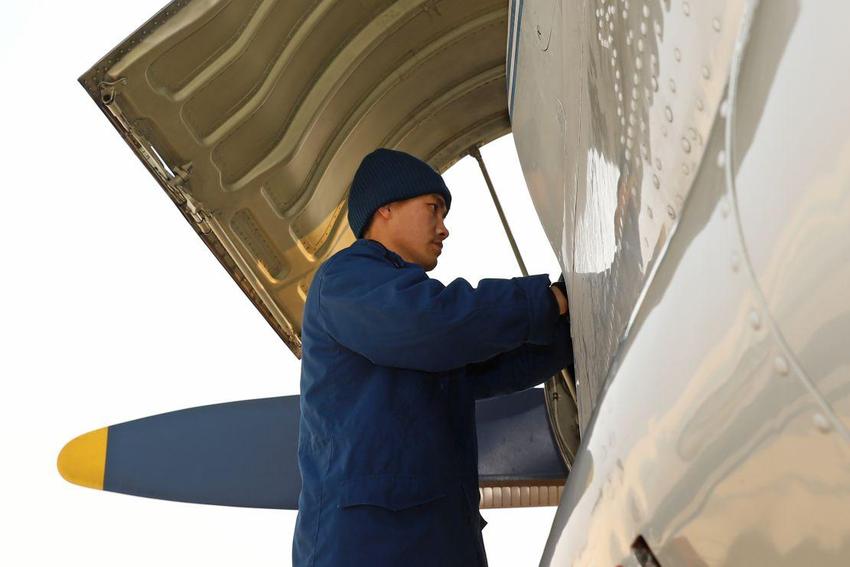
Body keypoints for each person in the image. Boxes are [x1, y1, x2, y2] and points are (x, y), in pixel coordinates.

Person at [292, 148, 573, 567]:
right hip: (369, 548)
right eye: (433, 209)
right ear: (385, 208)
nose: (444, 229)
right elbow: (435, 322)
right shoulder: (345, 280)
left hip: (436, 540)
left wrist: (573, 327)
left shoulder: (431, 332)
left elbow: (493, 364)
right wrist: (546, 300)